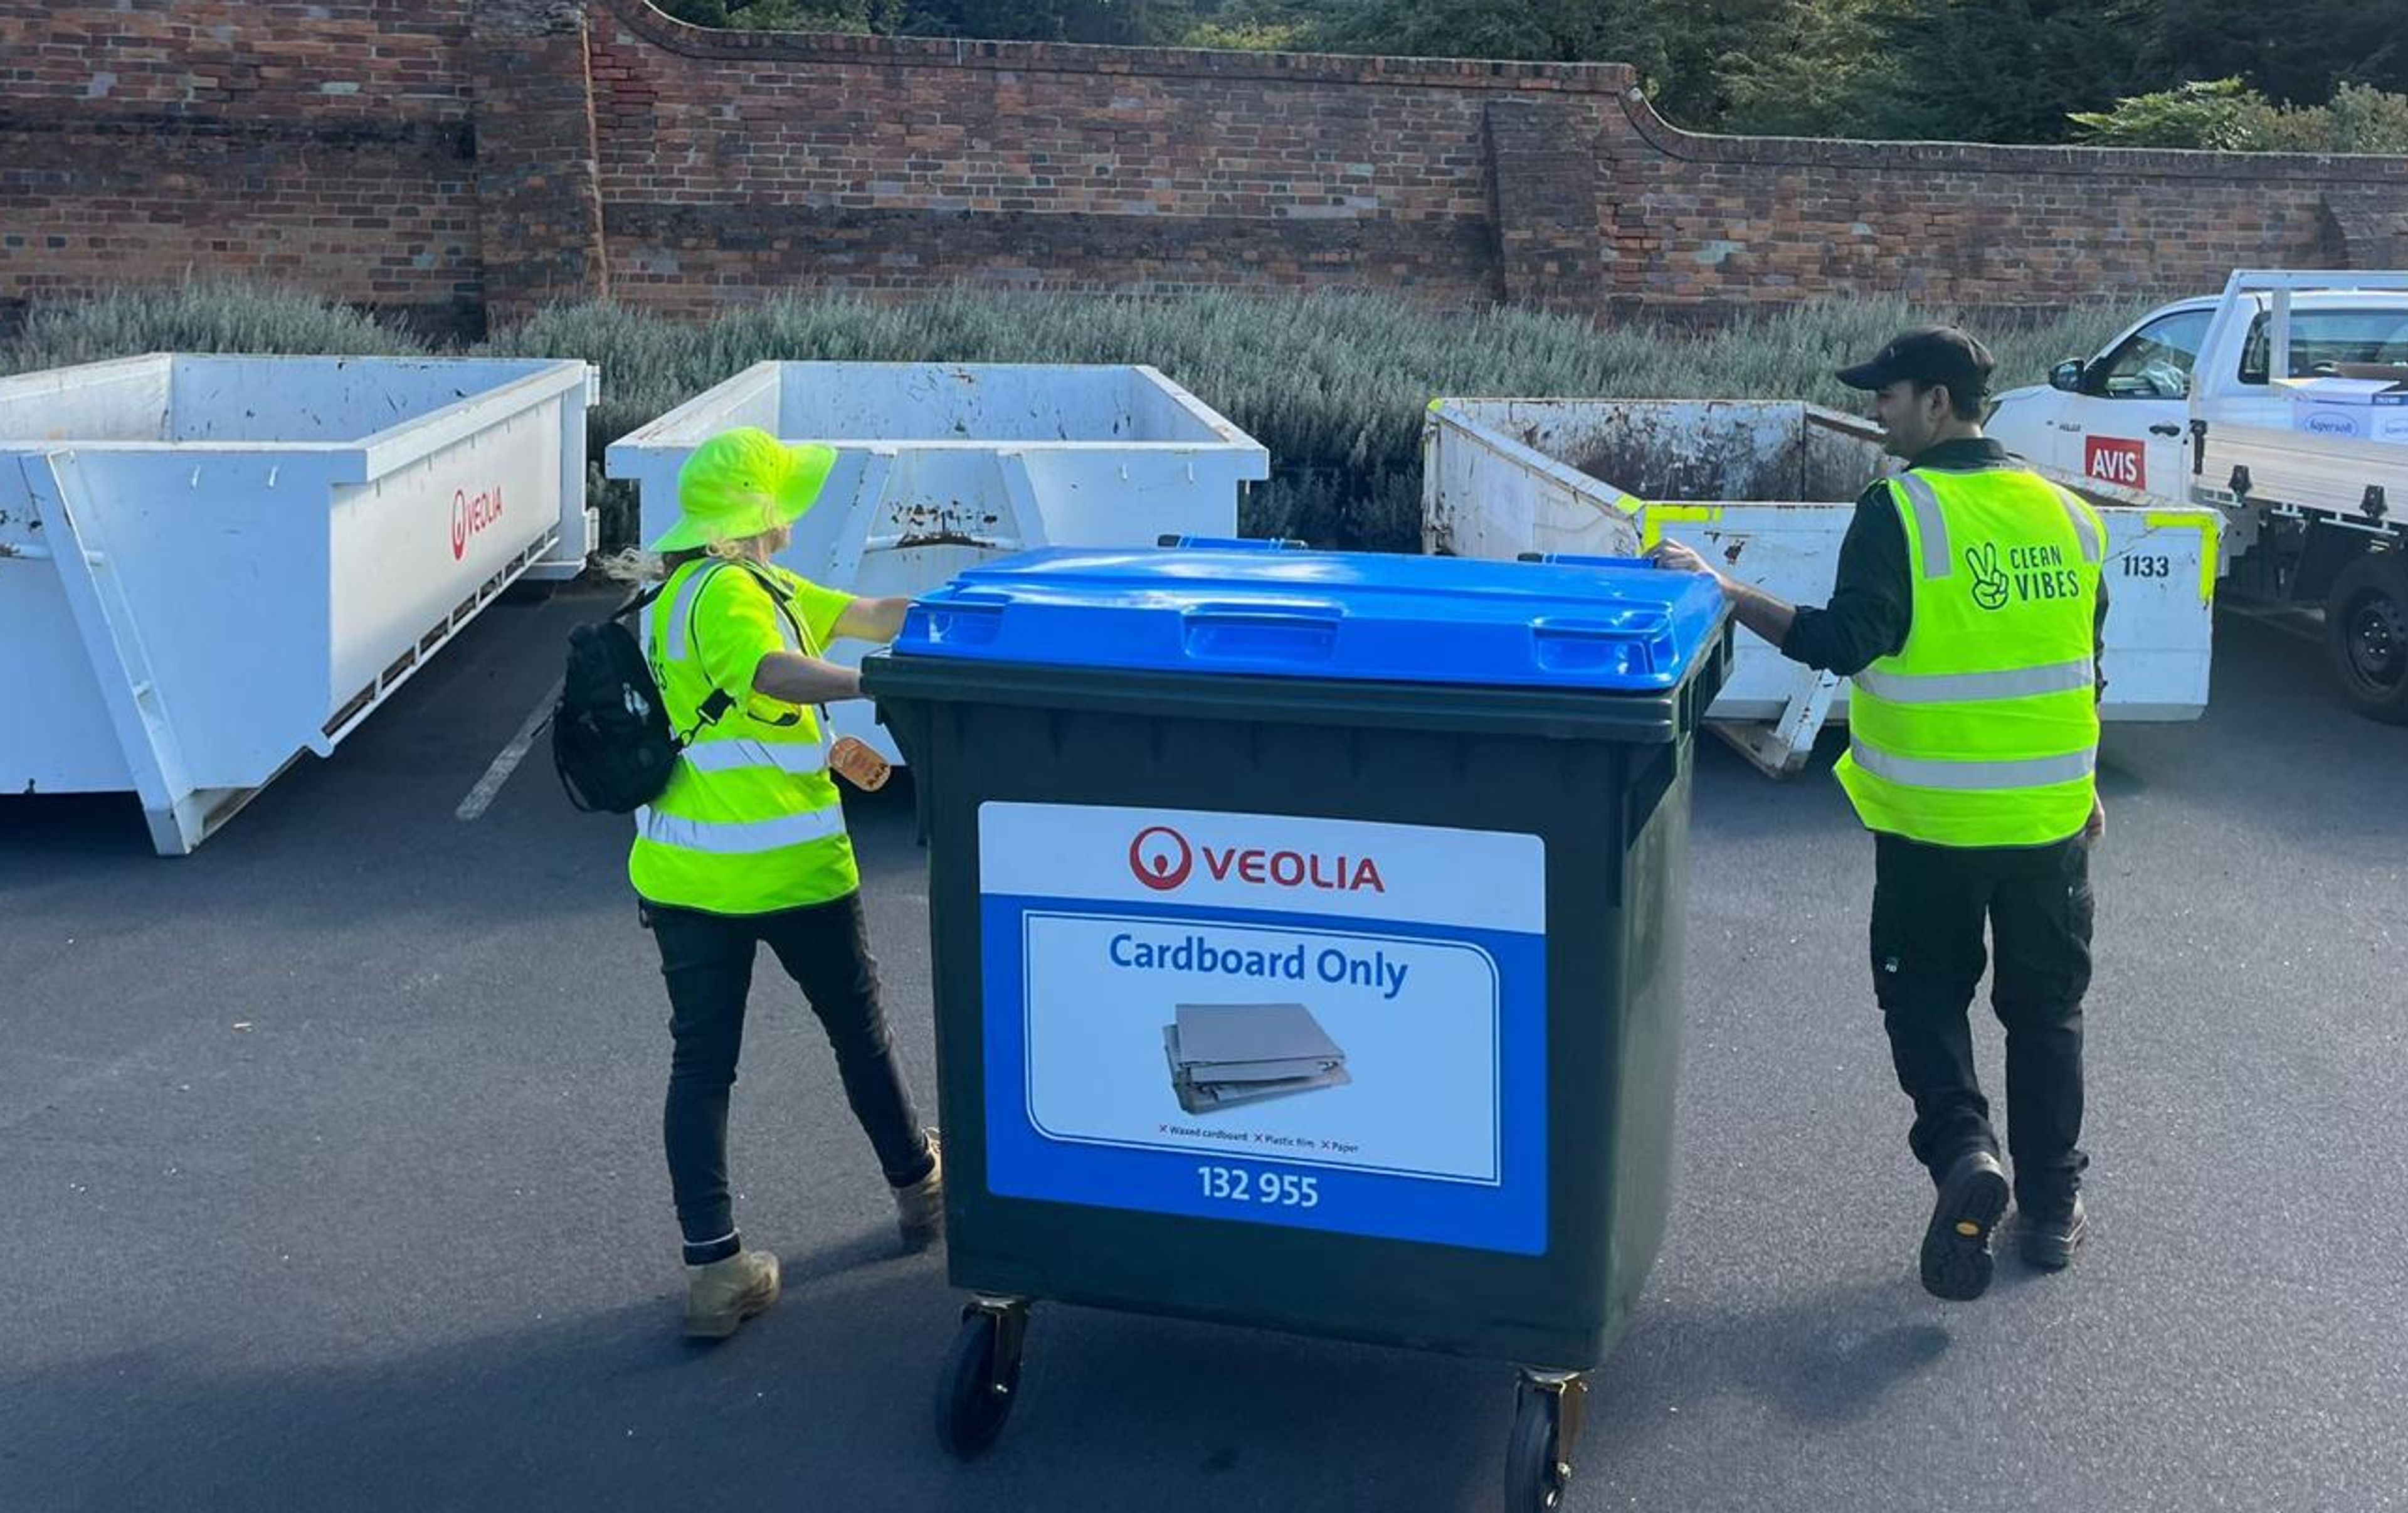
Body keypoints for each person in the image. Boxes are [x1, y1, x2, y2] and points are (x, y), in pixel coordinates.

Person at [1654, 327, 2107, 1302]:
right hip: (2052, 824)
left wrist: (1726, 592)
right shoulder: (2070, 514)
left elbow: (1840, 642)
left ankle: (1964, 1156)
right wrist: (2091, 784)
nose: (1877, 413)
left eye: (1889, 397)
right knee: (2047, 1011)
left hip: (1934, 826)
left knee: (1926, 999)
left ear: (1938, 403)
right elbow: (2084, 663)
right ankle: (2052, 1210)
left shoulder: (1900, 510)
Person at [630, 427, 941, 1340]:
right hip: (791, 869)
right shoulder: (729, 594)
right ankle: (922, 1192)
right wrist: (875, 683)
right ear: (760, 512)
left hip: (685, 875)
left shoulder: (698, 594)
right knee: (859, 1033)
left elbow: (874, 610)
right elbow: (771, 673)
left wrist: (962, 613)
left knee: (703, 1064)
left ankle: (716, 1271)